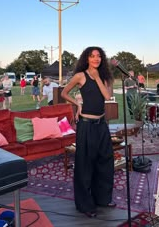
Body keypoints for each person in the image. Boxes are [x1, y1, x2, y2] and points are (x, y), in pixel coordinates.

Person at [61, 46, 116, 218]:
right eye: (92, 56)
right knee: (85, 164)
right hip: (86, 125)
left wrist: (98, 77)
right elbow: (64, 92)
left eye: (99, 56)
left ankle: (103, 198)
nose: (96, 59)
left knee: (105, 162)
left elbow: (107, 96)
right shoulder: (80, 76)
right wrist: (77, 104)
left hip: (101, 125)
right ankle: (85, 205)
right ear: (87, 59)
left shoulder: (105, 77)